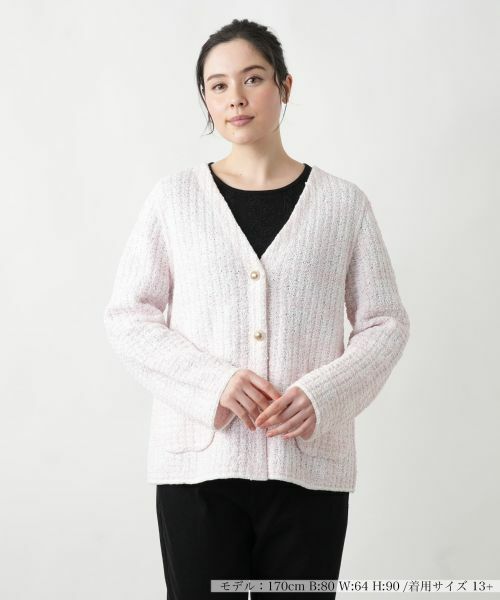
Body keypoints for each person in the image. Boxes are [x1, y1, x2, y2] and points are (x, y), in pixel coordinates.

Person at [103, 18, 410, 600]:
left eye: (252, 78)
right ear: (205, 99)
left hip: (307, 471)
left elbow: (384, 323)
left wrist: (323, 394)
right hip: (199, 472)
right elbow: (128, 316)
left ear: (284, 86)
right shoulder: (174, 200)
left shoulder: (342, 205)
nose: (235, 98)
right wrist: (214, 383)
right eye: (217, 86)